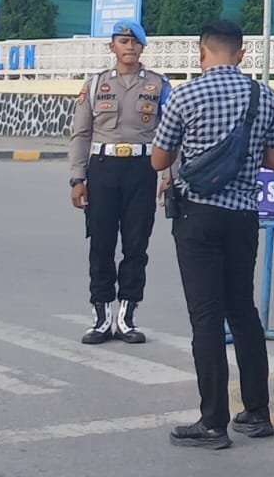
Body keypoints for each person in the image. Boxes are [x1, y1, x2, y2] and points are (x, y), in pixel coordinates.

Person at [150, 20, 274, 450]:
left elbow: (158, 160)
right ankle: (257, 412)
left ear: (201, 52)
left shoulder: (185, 95)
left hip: (197, 215)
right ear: (242, 54)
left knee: (206, 317)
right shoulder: (265, 96)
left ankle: (213, 423)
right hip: (243, 216)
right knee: (242, 311)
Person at [68, 19, 171, 345]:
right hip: (103, 169)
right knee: (101, 244)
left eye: (135, 42)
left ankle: (127, 317)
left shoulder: (158, 85)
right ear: (112, 46)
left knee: (136, 244)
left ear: (142, 47)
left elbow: (172, 133)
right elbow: (81, 134)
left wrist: (168, 174)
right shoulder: (96, 84)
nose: (129, 47)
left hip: (142, 168)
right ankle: (101, 317)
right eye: (123, 41)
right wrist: (77, 178)